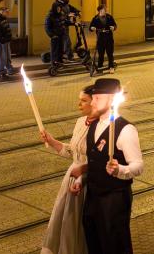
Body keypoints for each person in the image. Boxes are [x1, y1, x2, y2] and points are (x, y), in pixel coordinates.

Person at [79, 78, 144, 254]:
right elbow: (94, 161)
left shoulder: (125, 129)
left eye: (97, 98)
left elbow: (138, 166)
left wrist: (120, 170)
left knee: (114, 245)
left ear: (111, 99)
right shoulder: (94, 125)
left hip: (114, 199)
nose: (92, 102)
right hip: (93, 196)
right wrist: (81, 179)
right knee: (94, 242)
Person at [38, 85, 95, 254]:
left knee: (81, 227)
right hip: (70, 181)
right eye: (79, 100)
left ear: (95, 103)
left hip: (88, 183)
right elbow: (73, 152)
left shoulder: (102, 127)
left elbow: (101, 160)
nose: (79, 104)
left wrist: (83, 172)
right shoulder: (80, 122)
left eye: (84, 101)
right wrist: (52, 140)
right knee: (65, 223)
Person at [88, 4, 117, 74]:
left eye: (106, 9)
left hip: (109, 37)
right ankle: (100, 68)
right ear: (100, 10)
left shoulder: (109, 17)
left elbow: (115, 25)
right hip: (100, 38)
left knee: (110, 53)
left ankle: (111, 67)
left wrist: (114, 28)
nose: (106, 10)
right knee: (101, 54)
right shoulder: (95, 18)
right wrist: (92, 28)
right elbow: (90, 27)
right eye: (104, 9)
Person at [0, 6, 15, 79]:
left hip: (5, 41)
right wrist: (1, 39)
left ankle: (7, 70)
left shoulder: (3, 19)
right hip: (0, 42)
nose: (8, 13)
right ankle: (0, 73)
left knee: (6, 56)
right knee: (0, 57)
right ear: (1, 11)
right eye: (7, 12)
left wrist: (8, 38)